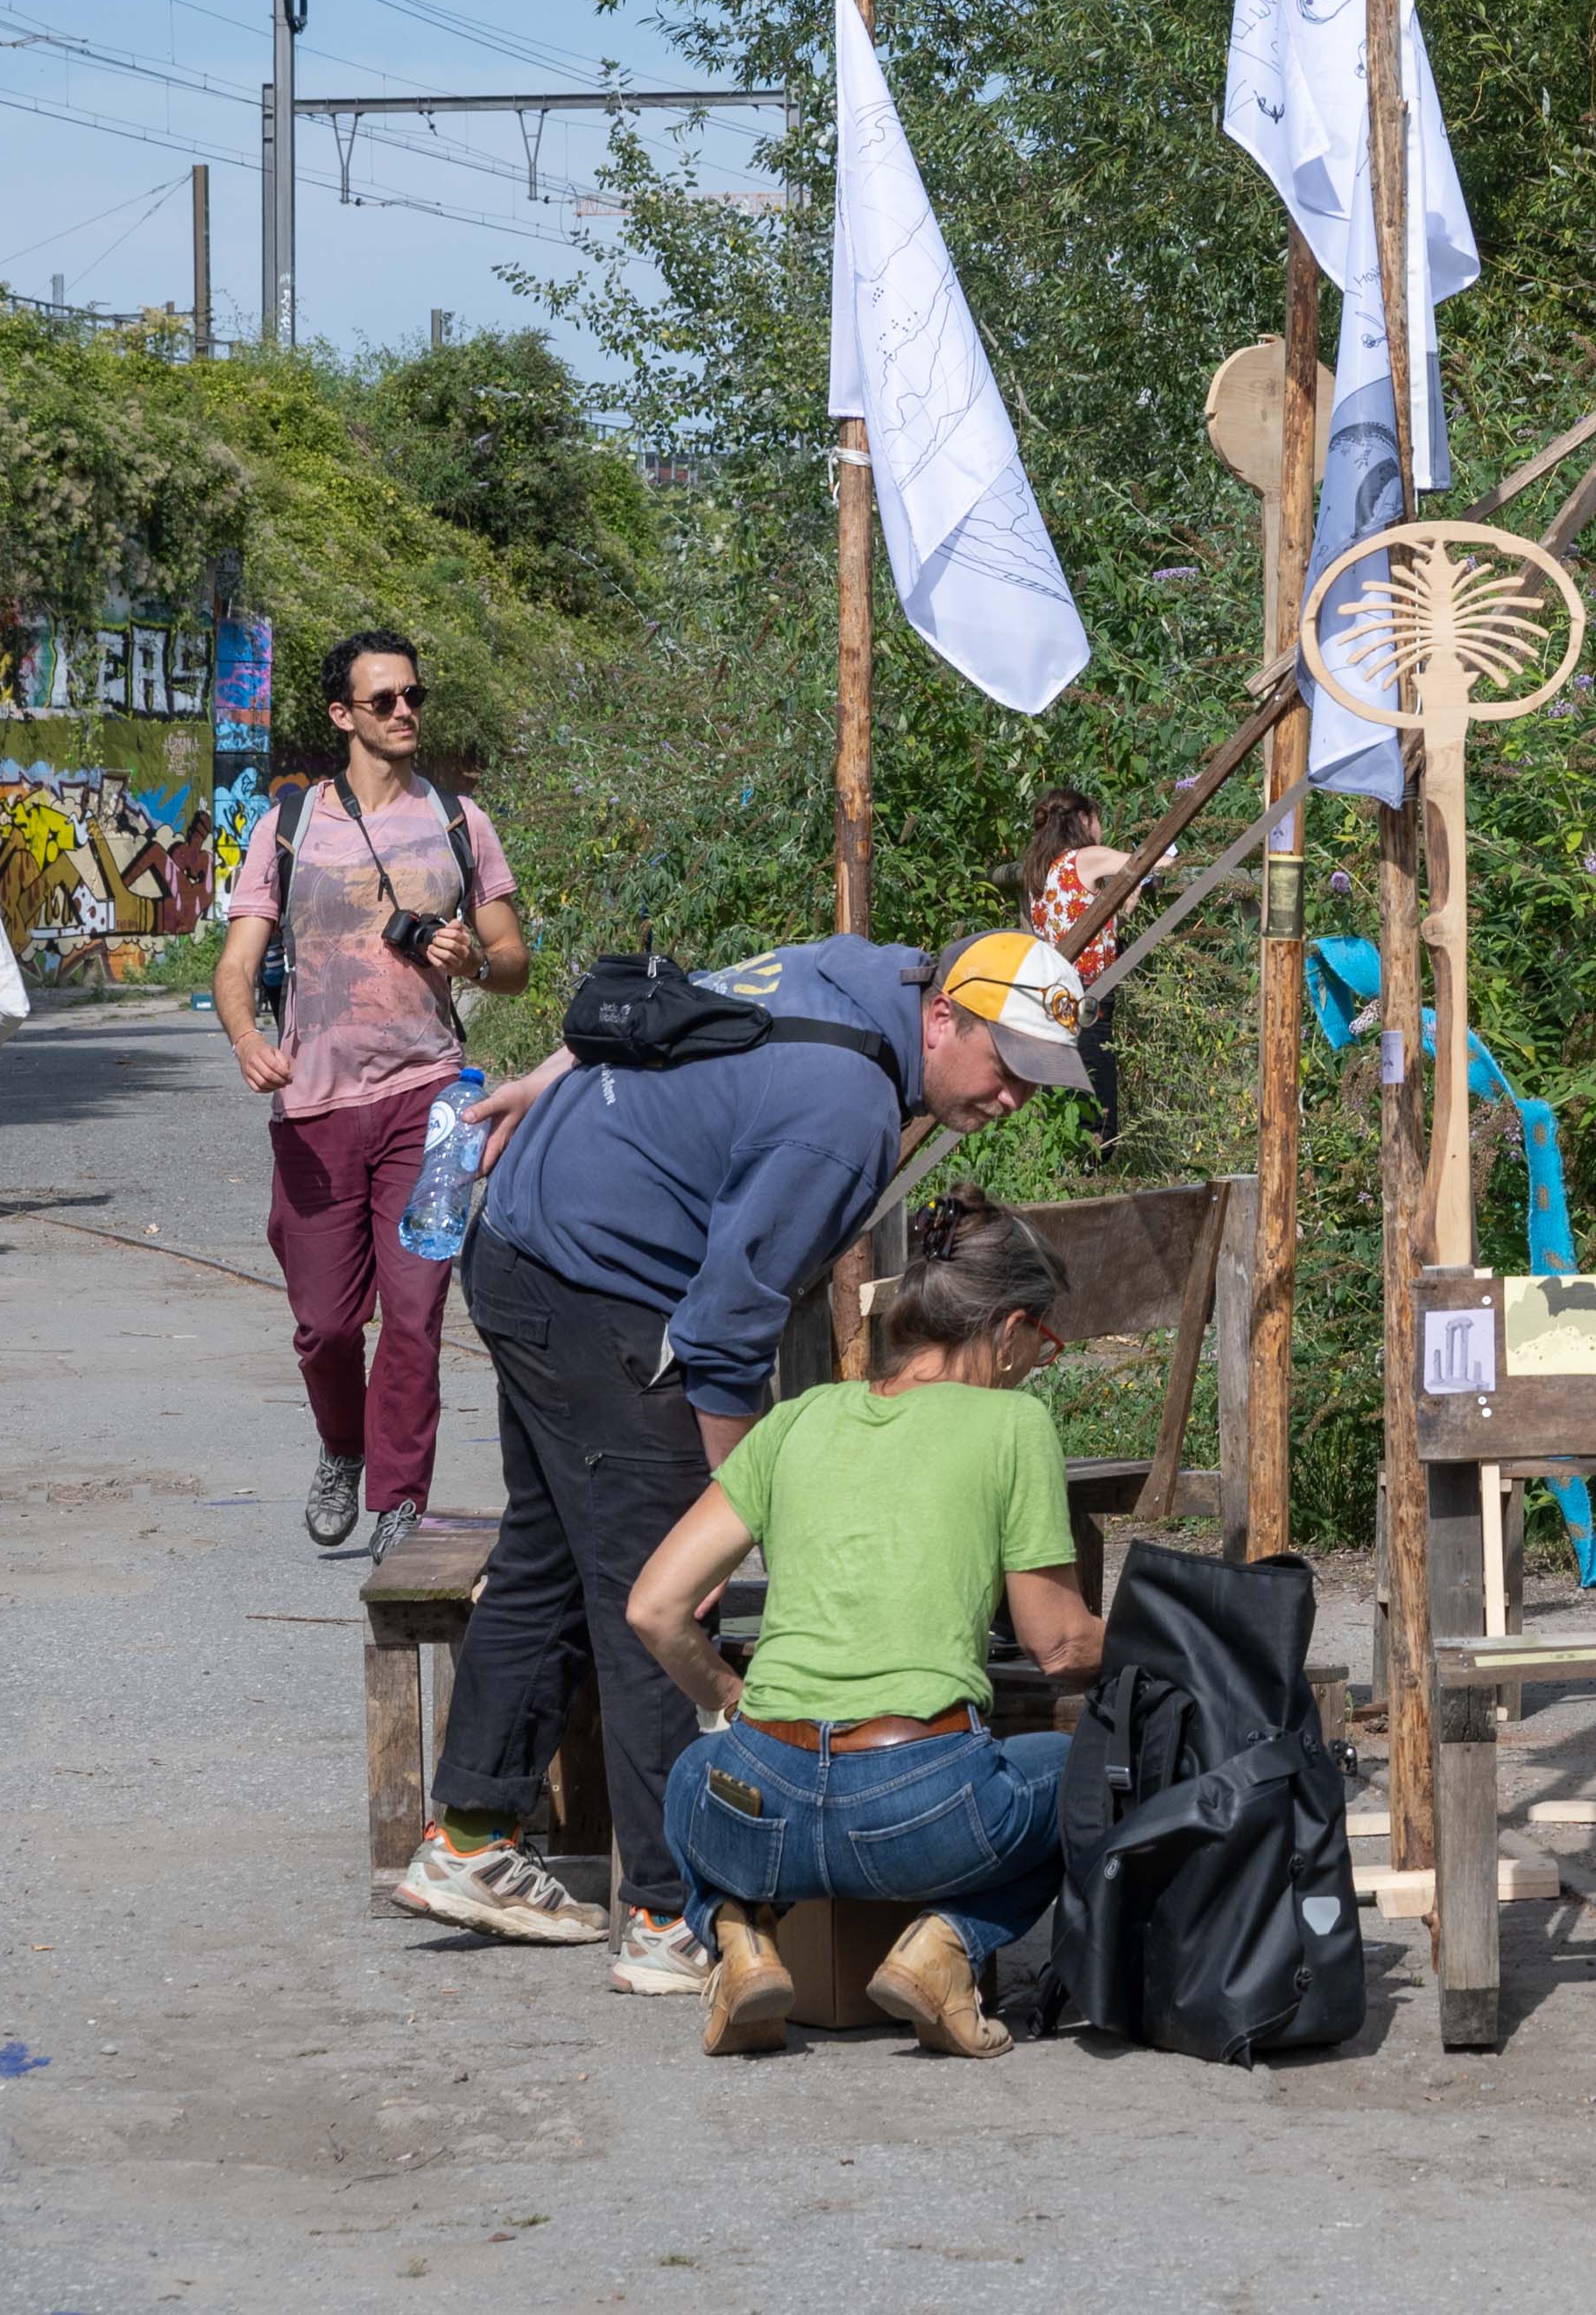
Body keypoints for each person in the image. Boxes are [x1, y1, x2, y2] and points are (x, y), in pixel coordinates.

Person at [381, 926, 1100, 1999]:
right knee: (663, 1582)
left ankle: (471, 1834)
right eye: (1007, 1070)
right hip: (598, 1278)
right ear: (943, 1018)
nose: (1013, 1103)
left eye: (1038, 1083)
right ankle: (674, 1913)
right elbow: (723, 1332)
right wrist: (746, 1504)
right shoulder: (846, 1117)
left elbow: (674, 995)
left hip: (525, 1238)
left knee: (544, 1548)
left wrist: (552, 1075)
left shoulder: (868, 968)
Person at [625, 1188, 1101, 2057]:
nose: (1037, 1364)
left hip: (754, 1807)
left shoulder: (795, 1418)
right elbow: (1058, 1643)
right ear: (1007, 1328)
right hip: (919, 1815)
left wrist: (731, 1696)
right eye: (1041, 1343)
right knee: (1087, 1771)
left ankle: (737, 1935)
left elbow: (654, 1607)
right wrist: (1155, 1637)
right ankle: (947, 1943)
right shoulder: (1012, 1420)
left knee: (694, 1776)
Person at [214, 630, 532, 1567]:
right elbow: (236, 964)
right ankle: (342, 1445)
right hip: (314, 1107)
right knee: (322, 1325)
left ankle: (400, 1499)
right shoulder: (288, 825)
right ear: (341, 714)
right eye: (384, 699)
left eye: (414, 697)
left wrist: (478, 959)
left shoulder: (461, 822)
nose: (406, 713)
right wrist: (246, 1039)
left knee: (417, 1310)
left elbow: (513, 962)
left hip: (431, 1103)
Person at [1014, 788, 1130, 1151]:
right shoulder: (1085, 858)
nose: (1100, 828)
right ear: (1083, 819)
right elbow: (1148, 862)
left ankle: (1070, 1180)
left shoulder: (1038, 869)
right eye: (1096, 819)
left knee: (1066, 1107)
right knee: (1100, 1119)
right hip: (1091, 999)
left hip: (1055, 1000)